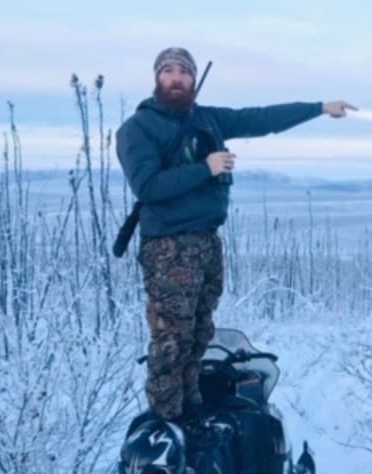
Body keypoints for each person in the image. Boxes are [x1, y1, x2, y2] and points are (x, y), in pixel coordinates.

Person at [116, 47, 356, 421]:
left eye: (184, 71)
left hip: (207, 243)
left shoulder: (206, 119)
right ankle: (165, 427)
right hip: (168, 246)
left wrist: (320, 107)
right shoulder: (138, 128)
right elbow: (148, 186)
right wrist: (205, 168)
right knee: (170, 341)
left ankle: (191, 413)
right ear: (157, 78)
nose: (176, 77)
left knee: (198, 334)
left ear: (194, 80)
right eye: (168, 71)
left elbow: (260, 119)